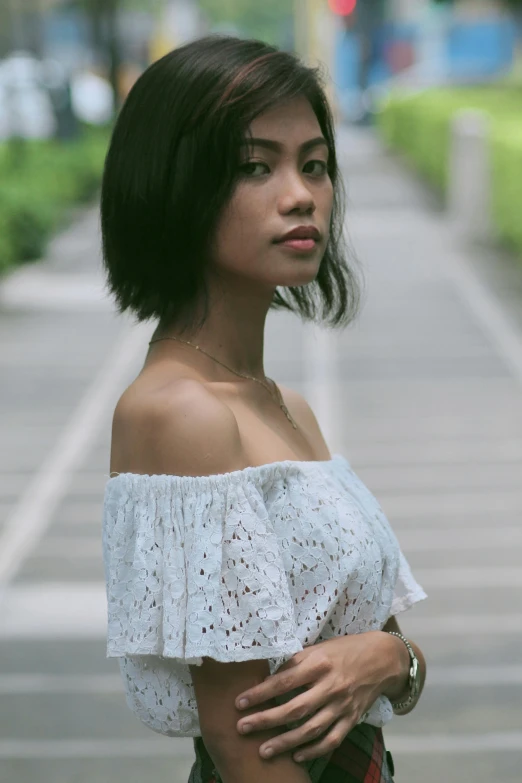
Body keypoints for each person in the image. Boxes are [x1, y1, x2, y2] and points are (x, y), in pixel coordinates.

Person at [101, 34, 428, 783]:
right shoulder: (177, 414)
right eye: (256, 166)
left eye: (314, 164)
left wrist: (392, 658)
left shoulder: (290, 407)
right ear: (175, 183)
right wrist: (389, 662)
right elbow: (247, 739)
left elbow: (383, 647)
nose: (300, 194)